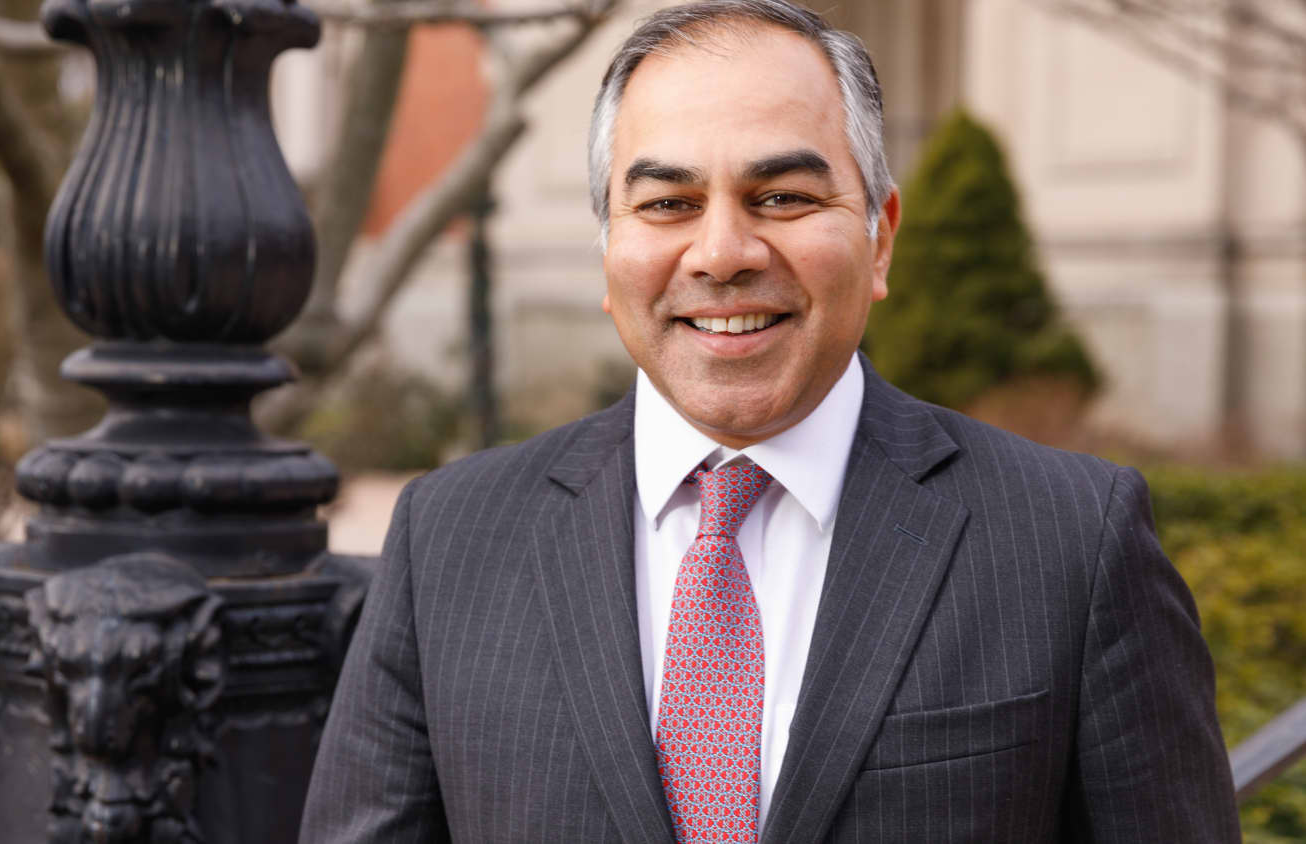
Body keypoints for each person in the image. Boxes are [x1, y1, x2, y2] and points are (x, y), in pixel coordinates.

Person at [299, 1, 1240, 841]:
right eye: (667, 203)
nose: (721, 252)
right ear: (608, 251)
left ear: (880, 237)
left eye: (782, 197)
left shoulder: (1072, 540)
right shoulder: (452, 539)